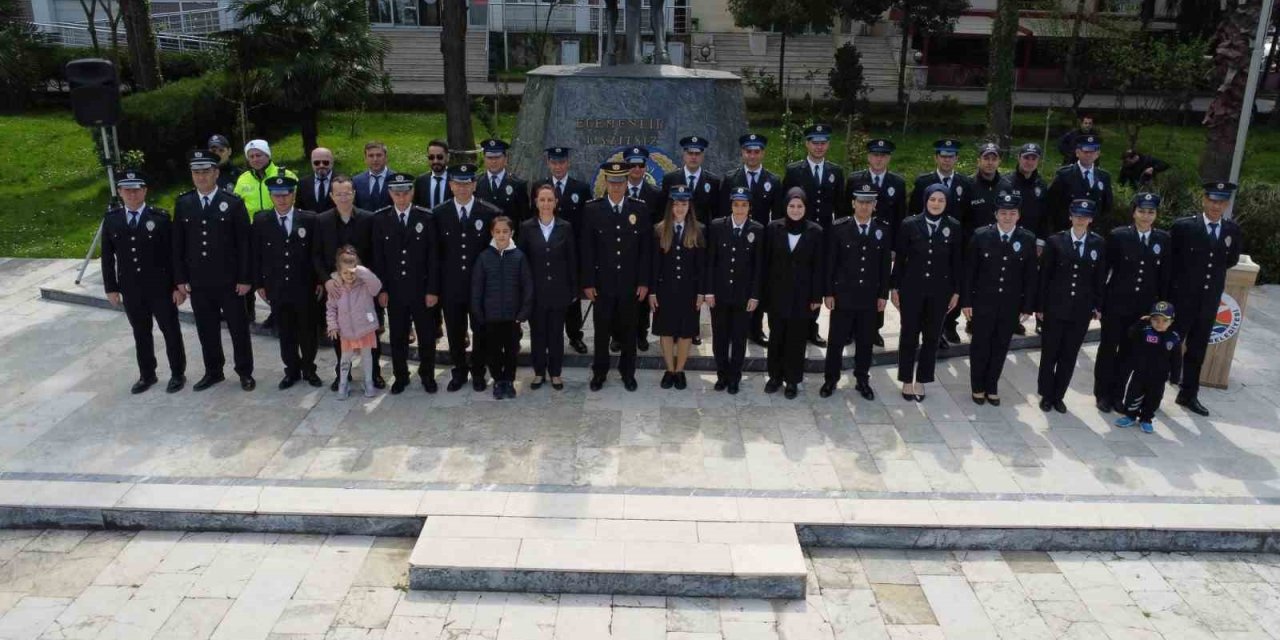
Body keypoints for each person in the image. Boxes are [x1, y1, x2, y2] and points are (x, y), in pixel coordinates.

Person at [173, 149, 255, 392]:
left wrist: (245, 278)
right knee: (206, 329)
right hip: (199, 282)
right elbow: (177, 244)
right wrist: (180, 279)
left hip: (230, 282)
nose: (201, 177)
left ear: (216, 173)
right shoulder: (184, 203)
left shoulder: (233, 203)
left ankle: (244, 372)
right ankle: (214, 371)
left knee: (238, 329)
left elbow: (244, 244)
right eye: (196, 172)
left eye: (206, 172)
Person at [101, 170, 186, 394]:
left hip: (161, 288)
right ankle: (147, 374)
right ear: (119, 192)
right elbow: (108, 258)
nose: (131, 193)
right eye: (126, 190)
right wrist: (111, 288)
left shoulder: (159, 217)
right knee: (141, 333)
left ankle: (178, 373)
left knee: (171, 331)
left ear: (145, 190)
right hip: (131, 288)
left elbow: (172, 254)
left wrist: (178, 285)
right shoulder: (112, 219)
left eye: (136, 189)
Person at [1168, 181, 1243, 417]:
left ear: (1226, 204)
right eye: (1212, 200)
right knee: (1168, 345)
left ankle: (1188, 394)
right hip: (1182, 300)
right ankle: (1151, 391)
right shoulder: (1184, 227)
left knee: (1197, 349)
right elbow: (1171, 263)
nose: (1215, 205)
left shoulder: (1232, 230)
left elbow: (1229, 260)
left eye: (1221, 201)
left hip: (1209, 302)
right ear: (1204, 200)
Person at [1094, 192, 1171, 413]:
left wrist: (1161, 309)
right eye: (1142, 211)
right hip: (1116, 304)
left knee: (1130, 353)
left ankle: (1118, 394)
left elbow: (1164, 276)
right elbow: (1104, 271)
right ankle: (1102, 394)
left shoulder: (1163, 240)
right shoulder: (1118, 236)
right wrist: (1099, 303)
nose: (1146, 216)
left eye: (1151, 212)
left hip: (1143, 309)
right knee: (1108, 349)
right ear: (1134, 212)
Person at [581, 161, 652, 392]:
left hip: (630, 284)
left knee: (629, 330)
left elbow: (645, 250)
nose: (616, 186)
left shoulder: (639, 209)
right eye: (612, 182)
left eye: (620, 182)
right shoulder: (592, 209)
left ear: (626, 182)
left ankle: (627, 372)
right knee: (601, 330)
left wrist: (643, 281)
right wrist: (589, 282)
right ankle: (599, 372)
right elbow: (587, 250)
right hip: (603, 285)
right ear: (606, 182)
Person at [961, 192, 1038, 406]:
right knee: (980, 344)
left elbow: (1031, 276)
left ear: (1019, 215)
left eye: (1012, 213)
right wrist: (966, 302)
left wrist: (1028, 306)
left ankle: (991, 385)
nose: (1007, 217)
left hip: (1010, 304)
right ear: (996, 214)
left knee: (1001, 345)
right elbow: (969, 272)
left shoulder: (1027, 239)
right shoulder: (981, 235)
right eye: (1003, 213)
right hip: (983, 302)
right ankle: (977, 386)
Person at [431, 163, 502, 392]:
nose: (463, 188)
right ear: (451, 185)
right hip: (451, 286)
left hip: (480, 287)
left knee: (481, 331)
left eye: (467, 183)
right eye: (458, 184)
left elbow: (496, 253)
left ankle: (479, 372)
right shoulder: (439, 213)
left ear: (474, 184)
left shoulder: (490, 213)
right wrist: (435, 287)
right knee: (455, 331)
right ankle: (459, 371)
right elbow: (435, 254)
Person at [891, 184, 962, 402]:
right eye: (933, 199)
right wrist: (894, 288)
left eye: (941, 200)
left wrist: (957, 291)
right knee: (909, 334)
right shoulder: (909, 224)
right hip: (912, 289)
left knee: (931, 337)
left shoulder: (954, 226)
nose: (936, 203)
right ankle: (906, 379)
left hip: (940, 291)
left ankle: (922, 379)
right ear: (925, 200)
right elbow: (900, 259)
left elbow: (957, 262)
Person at [1036, 198, 1106, 414]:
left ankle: (1059, 395)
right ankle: (1046, 394)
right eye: (1077, 215)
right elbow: (1044, 276)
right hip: (1056, 307)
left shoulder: (1098, 244)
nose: (1080, 219)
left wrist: (1097, 305)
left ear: (1091, 219)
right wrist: (1040, 306)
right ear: (1070, 217)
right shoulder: (1056, 241)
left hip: (1081, 309)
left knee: (1069, 354)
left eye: (1084, 216)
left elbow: (1100, 278)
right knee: (1050, 353)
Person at [821, 184, 891, 400]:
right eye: (860, 202)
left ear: (875, 205)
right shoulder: (839, 227)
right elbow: (830, 262)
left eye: (869, 202)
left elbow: (884, 265)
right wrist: (829, 293)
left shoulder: (883, 229)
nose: (864, 206)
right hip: (843, 295)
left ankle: (862, 379)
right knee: (836, 340)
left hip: (869, 297)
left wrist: (883, 295)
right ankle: (830, 379)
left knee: (865, 341)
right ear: (853, 203)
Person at [371, 172, 439, 394]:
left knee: (426, 336)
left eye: (405, 192)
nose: (401, 197)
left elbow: (433, 257)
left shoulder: (426, 218)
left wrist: (432, 290)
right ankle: (401, 376)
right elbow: (378, 258)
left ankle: (427, 374)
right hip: (395, 290)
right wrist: (381, 289)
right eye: (396, 193)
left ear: (412, 193)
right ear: (390, 193)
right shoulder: (380, 219)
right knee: (398, 335)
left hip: (421, 289)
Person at [252, 175, 322, 389]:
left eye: (286, 195)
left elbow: (317, 253)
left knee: (308, 331)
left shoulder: (310, 219)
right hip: (277, 286)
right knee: (286, 332)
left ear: (293, 195)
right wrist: (259, 284)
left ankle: (309, 369)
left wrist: (320, 280)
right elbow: (257, 254)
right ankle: (291, 371)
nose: (281, 199)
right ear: (271, 196)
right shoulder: (262, 220)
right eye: (277, 195)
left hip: (305, 286)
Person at [313, 174, 382, 391]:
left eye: (347, 193)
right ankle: (343, 374)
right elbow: (315, 255)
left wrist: (373, 283)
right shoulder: (321, 220)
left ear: (354, 194)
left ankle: (375, 374)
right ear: (332, 196)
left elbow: (377, 254)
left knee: (371, 331)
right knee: (339, 333)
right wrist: (325, 280)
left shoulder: (368, 219)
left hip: (364, 288)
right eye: (339, 194)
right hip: (337, 288)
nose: (343, 197)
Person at [719, 133, 783, 347]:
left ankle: (755, 329)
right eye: (748, 151)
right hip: (735, 239)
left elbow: (778, 215)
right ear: (742, 153)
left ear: (762, 153)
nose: (752, 155)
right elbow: (722, 212)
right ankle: (730, 327)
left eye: (756, 151)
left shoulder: (772, 180)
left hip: (760, 241)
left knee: (758, 284)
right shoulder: (730, 179)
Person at [783, 124, 843, 347]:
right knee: (798, 279)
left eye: (823, 142)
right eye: (814, 142)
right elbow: (785, 205)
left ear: (828, 144)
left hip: (825, 237)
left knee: (817, 280)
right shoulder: (794, 171)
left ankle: (812, 328)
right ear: (807, 144)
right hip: (799, 236)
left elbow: (841, 207)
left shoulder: (835, 172)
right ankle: (795, 324)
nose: (819, 147)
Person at [910, 139, 974, 349]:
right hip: (926, 246)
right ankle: (923, 331)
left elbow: (968, 218)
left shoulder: (965, 183)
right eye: (943, 156)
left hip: (953, 246)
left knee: (948, 290)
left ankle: (944, 328)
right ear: (936, 158)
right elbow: (913, 214)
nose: (947, 160)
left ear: (956, 158)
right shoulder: (923, 182)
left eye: (951, 156)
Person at [761, 187, 823, 399]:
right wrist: (763, 294)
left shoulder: (815, 231)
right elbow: (765, 263)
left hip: (802, 297)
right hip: (777, 294)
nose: (795, 210)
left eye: (800, 206)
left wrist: (817, 296)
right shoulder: (773, 228)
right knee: (776, 337)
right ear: (785, 206)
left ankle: (792, 380)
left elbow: (818, 267)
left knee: (796, 340)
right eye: (791, 206)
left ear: (805, 208)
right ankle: (775, 377)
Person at [530, 147, 592, 356]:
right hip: (547, 251)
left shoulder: (581, 188)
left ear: (568, 163)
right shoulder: (539, 187)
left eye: (562, 162)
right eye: (554, 162)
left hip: (570, 254)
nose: (558, 166)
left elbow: (585, 224)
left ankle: (575, 337)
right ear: (548, 163)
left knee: (572, 299)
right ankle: (548, 336)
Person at [706, 187, 764, 395]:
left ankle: (734, 377)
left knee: (739, 338)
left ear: (749, 207)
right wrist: (709, 291)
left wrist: (755, 295)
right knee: (720, 337)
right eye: (736, 204)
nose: (740, 209)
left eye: (744, 205)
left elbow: (758, 267)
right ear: (731, 205)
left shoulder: (757, 229)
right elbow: (710, 261)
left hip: (743, 295)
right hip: (719, 294)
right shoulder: (717, 226)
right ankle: (722, 374)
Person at [520, 183, 578, 390]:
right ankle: (538, 373)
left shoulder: (565, 227)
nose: (546, 204)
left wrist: (574, 290)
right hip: (536, 293)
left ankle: (555, 373)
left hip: (559, 292)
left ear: (556, 203)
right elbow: (522, 263)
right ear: (536, 202)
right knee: (538, 335)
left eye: (550, 200)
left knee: (555, 334)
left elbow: (572, 260)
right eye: (542, 199)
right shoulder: (527, 228)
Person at [650, 185, 706, 390]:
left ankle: (680, 370)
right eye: (676, 204)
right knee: (666, 330)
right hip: (665, 290)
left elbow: (702, 266)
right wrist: (653, 292)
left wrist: (701, 292)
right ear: (670, 206)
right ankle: (669, 369)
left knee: (685, 332)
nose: (680, 208)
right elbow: (654, 264)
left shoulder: (698, 230)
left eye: (684, 203)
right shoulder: (659, 230)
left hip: (689, 291)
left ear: (689, 205)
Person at [471, 216, 534, 400]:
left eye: (505, 231)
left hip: (512, 317)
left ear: (512, 233)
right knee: (493, 351)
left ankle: (509, 380)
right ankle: (498, 380)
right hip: (491, 317)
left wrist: (523, 313)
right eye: (497, 232)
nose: (501, 235)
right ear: (492, 233)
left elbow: (527, 287)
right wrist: (479, 313)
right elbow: (476, 289)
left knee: (511, 351)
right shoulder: (484, 258)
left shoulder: (519, 257)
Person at [997, 143, 1050, 335]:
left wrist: (1040, 242)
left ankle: (1016, 319)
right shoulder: (1006, 182)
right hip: (1009, 239)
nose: (1029, 162)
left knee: (1025, 281)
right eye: (1026, 157)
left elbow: (1045, 217)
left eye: (1033, 158)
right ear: (1019, 158)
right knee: (1007, 280)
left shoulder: (1041, 185)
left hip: (1032, 243)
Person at [1114, 301, 1181, 434]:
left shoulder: (1173, 338)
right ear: (1150, 319)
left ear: (1171, 321)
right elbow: (1130, 333)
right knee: (1133, 395)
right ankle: (1130, 415)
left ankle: (1146, 419)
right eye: (1155, 320)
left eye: (1164, 321)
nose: (1159, 324)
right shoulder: (1144, 332)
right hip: (1140, 373)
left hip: (1159, 377)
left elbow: (1177, 360)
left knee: (1154, 399)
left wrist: (1175, 377)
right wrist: (1140, 322)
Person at [325, 246, 383, 399]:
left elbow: (377, 287)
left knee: (367, 356)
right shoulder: (336, 287)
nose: (349, 276)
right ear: (339, 271)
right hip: (346, 330)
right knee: (345, 358)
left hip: (364, 327)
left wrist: (362, 271)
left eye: (352, 272)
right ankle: (343, 384)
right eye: (345, 273)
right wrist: (332, 325)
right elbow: (331, 308)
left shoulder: (365, 284)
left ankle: (369, 382)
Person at [1047, 134, 1113, 234]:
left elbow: (1107, 208)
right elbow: (1051, 206)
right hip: (1067, 233)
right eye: (1085, 151)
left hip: (1094, 234)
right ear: (1077, 152)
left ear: (1098, 154)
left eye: (1092, 151)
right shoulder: (1064, 175)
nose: (1089, 155)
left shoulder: (1104, 177)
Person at [659, 136, 721, 225]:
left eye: (697, 154)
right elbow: (663, 210)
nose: (693, 157)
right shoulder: (670, 179)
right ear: (684, 154)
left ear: (703, 155)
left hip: (703, 235)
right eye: (690, 153)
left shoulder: (713, 181)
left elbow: (715, 213)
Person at [234, 139, 296, 216]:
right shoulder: (242, 179)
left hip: (279, 225)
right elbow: (236, 206)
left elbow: (297, 202)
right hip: (251, 226)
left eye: (258, 155)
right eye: (251, 157)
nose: (255, 159)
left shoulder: (286, 175)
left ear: (268, 155)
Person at [475, 139, 530, 224]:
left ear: (505, 158)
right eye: (489, 158)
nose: (493, 161)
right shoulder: (475, 184)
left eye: (497, 157)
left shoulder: (517, 185)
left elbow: (525, 219)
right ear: (484, 159)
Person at [354, 141, 396, 212]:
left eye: (379, 155)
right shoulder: (356, 181)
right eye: (371, 156)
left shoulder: (396, 179)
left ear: (386, 157)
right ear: (365, 159)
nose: (375, 159)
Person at [413, 140, 452, 210]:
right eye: (431, 157)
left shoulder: (455, 179)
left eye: (440, 157)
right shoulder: (420, 181)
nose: (435, 161)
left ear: (447, 157)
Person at [298, 147, 336, 213]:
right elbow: (298, 208)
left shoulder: (343, 182)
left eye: (325, 162)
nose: (321, 165)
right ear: (311, 163)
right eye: (316, 162)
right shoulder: (302, 183)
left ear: (332, 162)